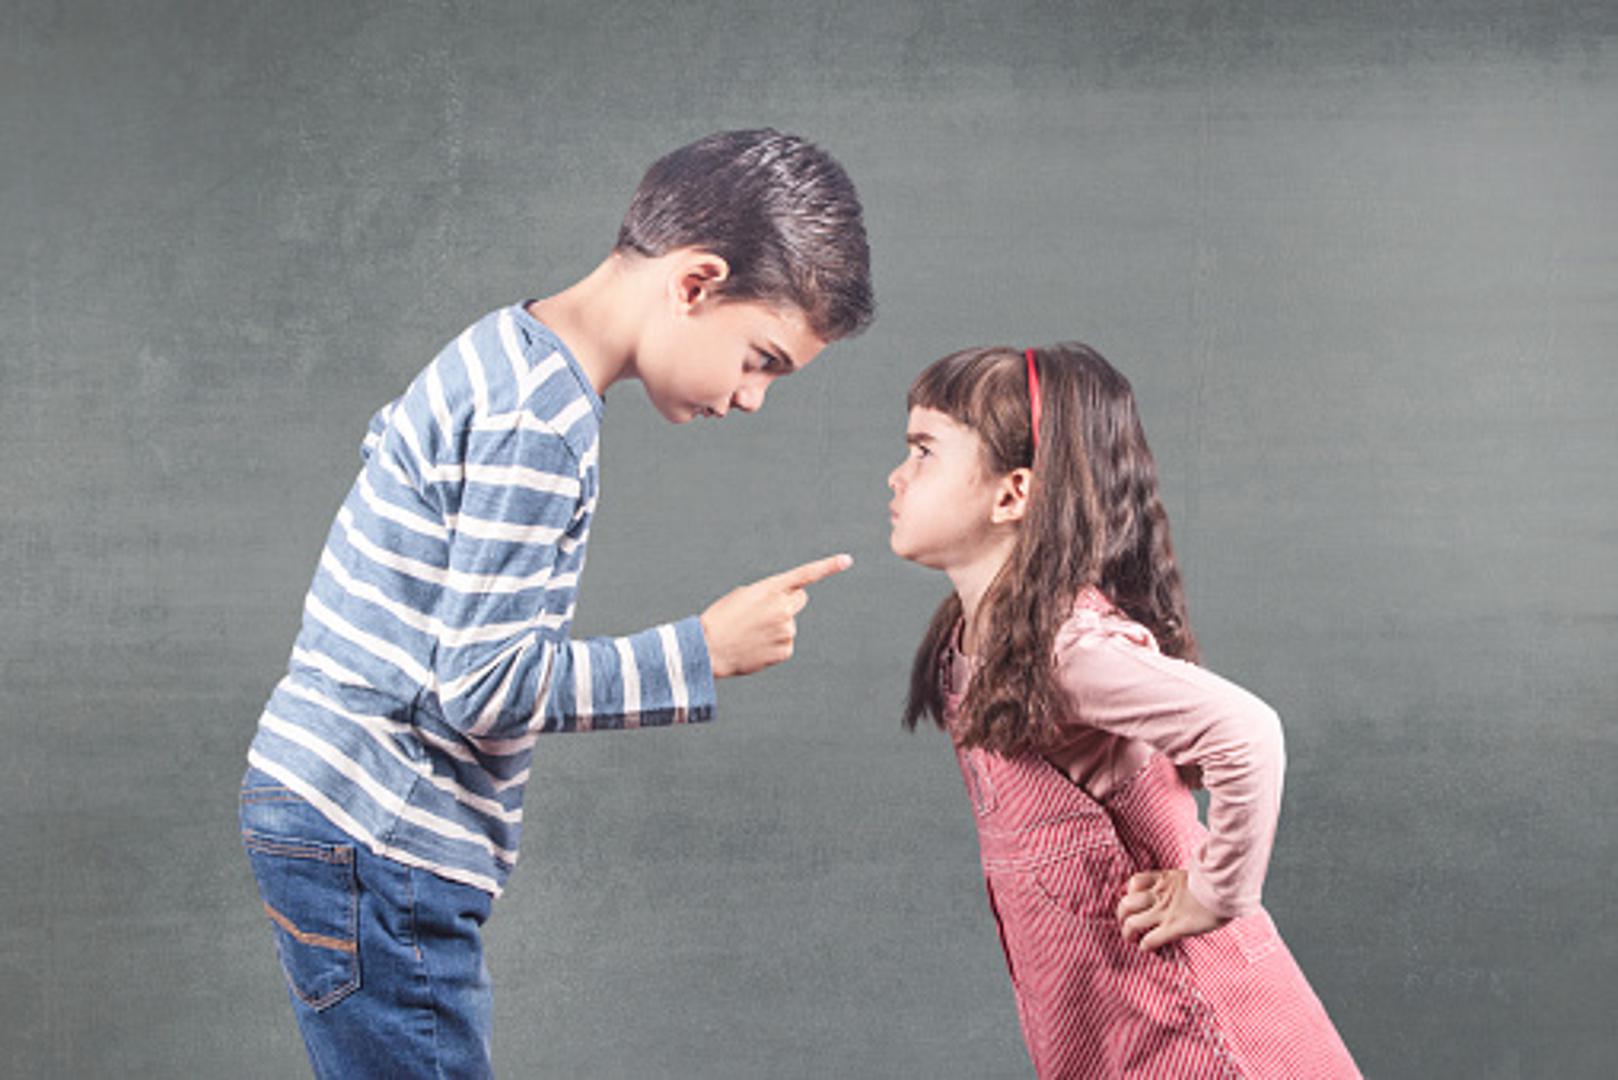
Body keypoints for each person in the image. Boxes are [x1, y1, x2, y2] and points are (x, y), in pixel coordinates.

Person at [239, 128, 873, 1078]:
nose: (752, 400)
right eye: (761, 360)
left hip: (334, 815)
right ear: (696, 284)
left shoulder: (504, 353)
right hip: (381, 834)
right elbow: (481, 687)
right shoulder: (544, 417)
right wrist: (701, 651)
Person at [888, 344, 1360, 1077]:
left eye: (923, 452)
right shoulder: (975, 640)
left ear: (1012, 494)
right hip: (1117, 1036)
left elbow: (1246, 732)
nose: (897, 475)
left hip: (1205, 1039)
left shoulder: (1070, 649)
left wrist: (1216, 892)